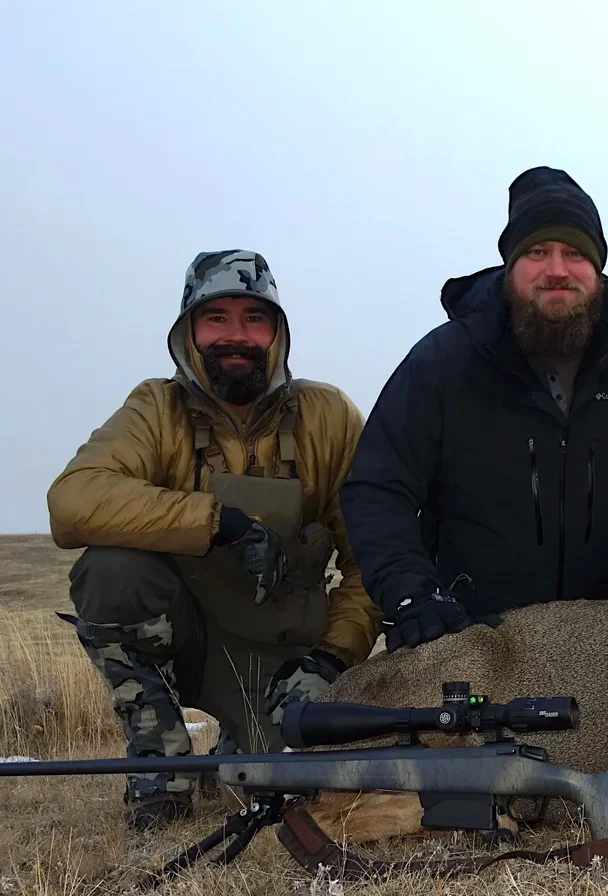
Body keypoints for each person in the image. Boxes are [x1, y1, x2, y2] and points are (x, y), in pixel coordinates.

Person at [46, 250, 380, 830]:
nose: (237, 335)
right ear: (189, 331)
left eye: (255, 318)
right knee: (109, 570)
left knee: (293, 785)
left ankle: (240, 742)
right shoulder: (156, 407)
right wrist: (218, 522)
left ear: (276, 332)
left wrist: (330, 659)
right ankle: (160, 756)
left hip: (283, 656)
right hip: (184, 640)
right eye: (216, 318)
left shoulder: (330, 415)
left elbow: (371, 559)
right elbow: (71, 501)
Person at [338, 167, 608, 652]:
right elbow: (377, 486)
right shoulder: (443, 362)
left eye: (575, 253)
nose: (556, 269)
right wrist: (413, 594)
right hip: (476, 635)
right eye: (537, 252)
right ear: (510, 264)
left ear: (598, 268)